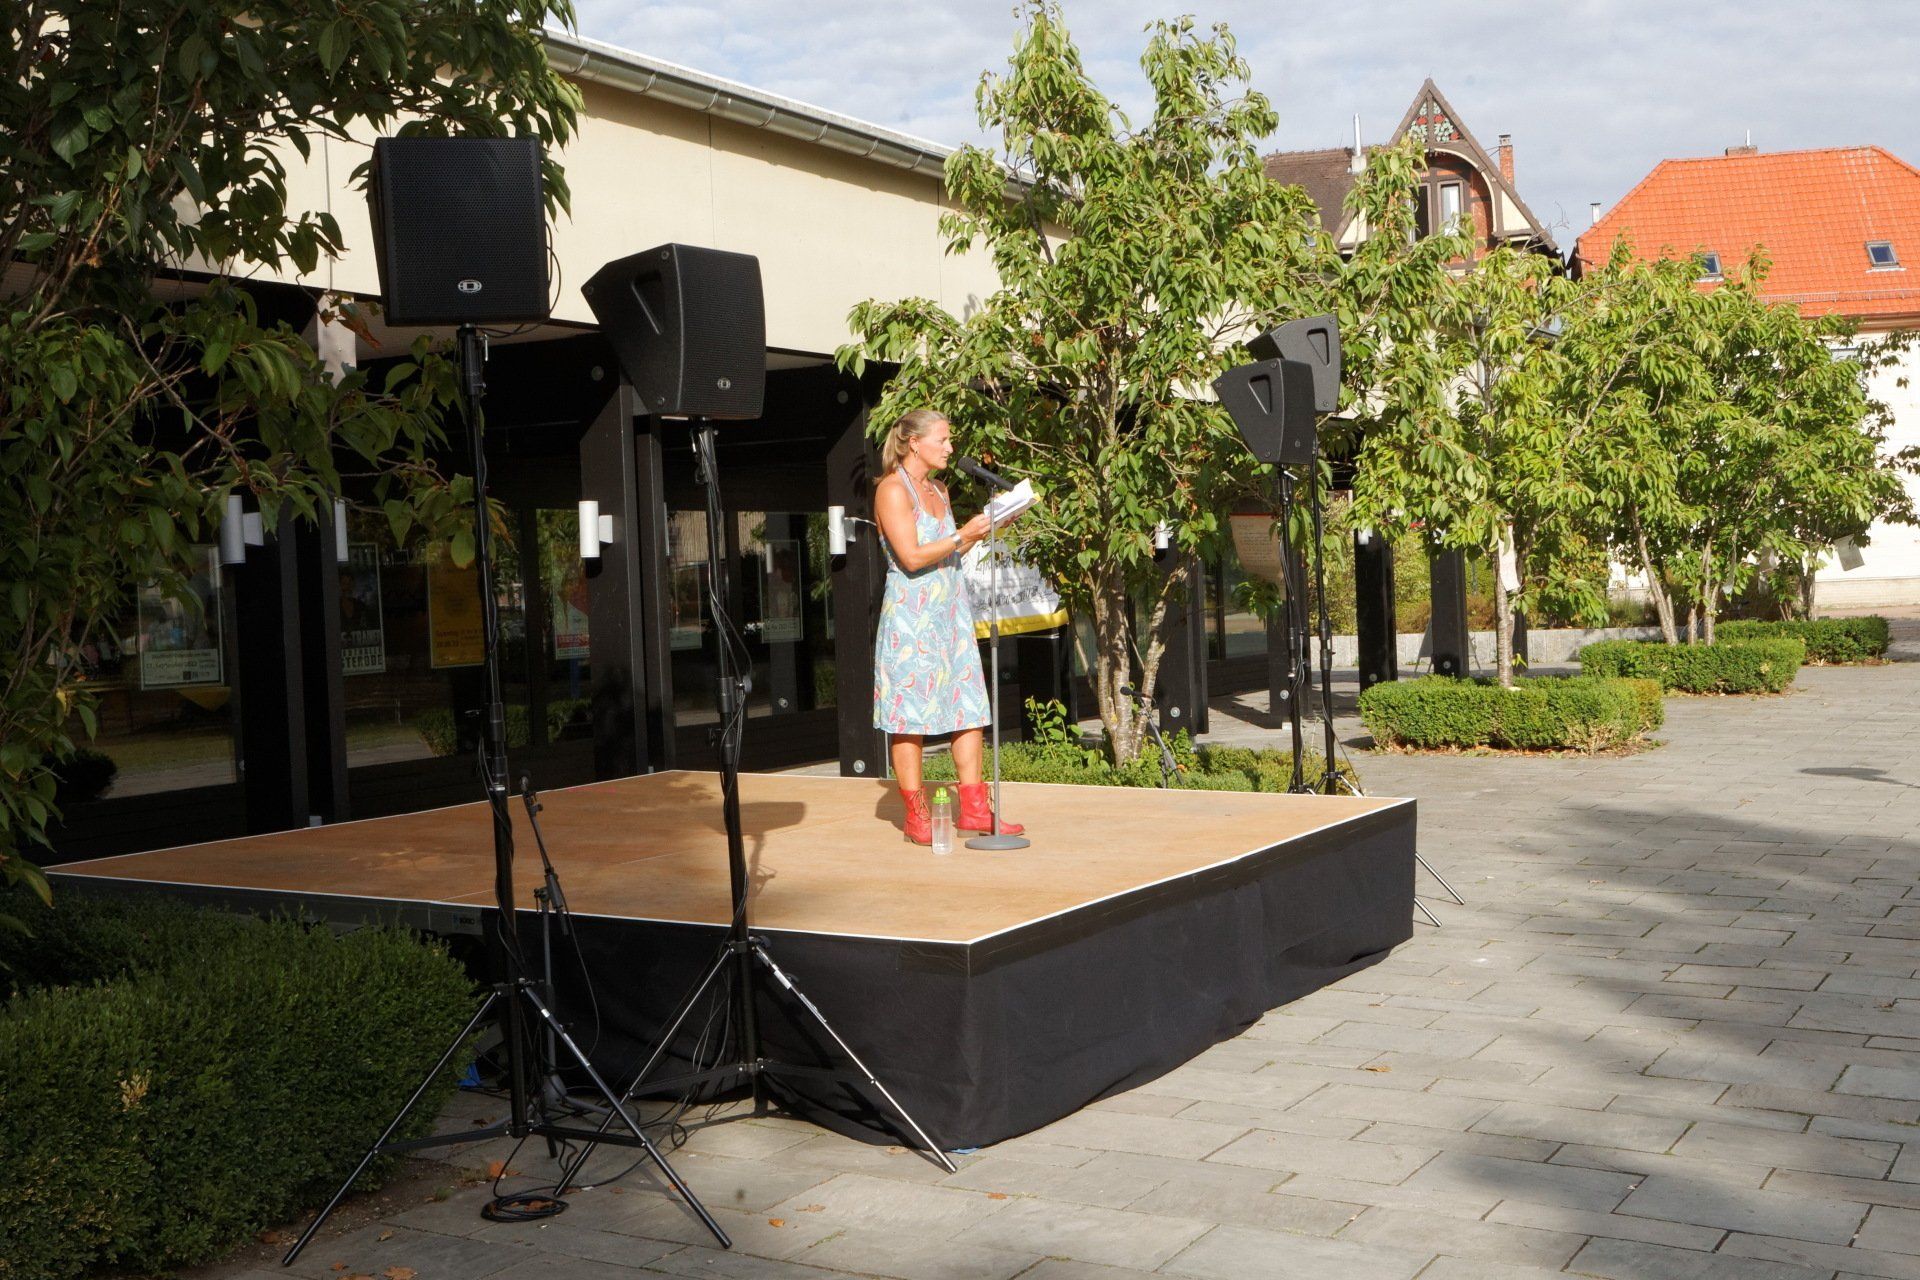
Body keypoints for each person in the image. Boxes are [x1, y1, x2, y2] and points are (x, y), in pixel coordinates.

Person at [872, 408, 1025, 845]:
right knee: (911, 716)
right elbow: (912, 557)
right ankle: (916, 814)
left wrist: (986, 529)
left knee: (969, 706)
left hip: (950, 612)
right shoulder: (892, 489)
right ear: (914, 443)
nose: (950, 447)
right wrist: (965, 533)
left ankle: (974, 808)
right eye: (942, 440)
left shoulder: (938, 488)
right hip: (911, 616)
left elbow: (949, 550)